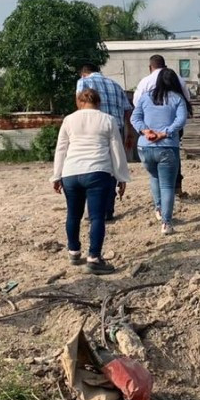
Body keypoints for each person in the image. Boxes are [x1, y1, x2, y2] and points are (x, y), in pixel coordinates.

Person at [51, 87, 130, 275]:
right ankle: (94, 258)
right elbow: (116, 150)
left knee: (73, 214)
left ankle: (74, 251)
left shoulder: (69, 120)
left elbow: (61, 149)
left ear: (79, 102)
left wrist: (56, 175)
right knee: (96, 217)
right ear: (99, 103)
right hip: (97, 171)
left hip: (70, 173)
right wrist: (121, 177)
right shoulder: (108, 120)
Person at [132, 68, 188, 235]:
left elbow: (135, 117)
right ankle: (166, 222)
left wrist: (145, 131)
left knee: (154, 176)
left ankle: (158, 208)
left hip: (144, 147)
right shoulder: (177, 99)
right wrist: (166, 132)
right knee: (167, 186)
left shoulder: (145, 97)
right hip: (167, 146)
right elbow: (181, 120)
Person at [76, 63, 132, 221]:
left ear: (84, 73)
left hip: (93, 129)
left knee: (93, 166)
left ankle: (95, 209)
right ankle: (108, 209)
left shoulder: (83, 82)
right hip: (116, 128)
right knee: (112, 168)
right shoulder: (115, 84)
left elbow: (79, 106)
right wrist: (129, 134)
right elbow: (127, 110)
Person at [135, 55, 191, 197]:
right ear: (165, 66)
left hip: (150, 127)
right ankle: (176, 186)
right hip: (173, 124)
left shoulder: (144, 82)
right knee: (173, 152)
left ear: (150, 67)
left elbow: (137, 104)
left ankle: (159, 191)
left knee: (153, 161)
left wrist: (146, 127)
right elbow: (186, 99)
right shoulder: (177, 78)